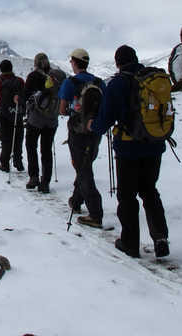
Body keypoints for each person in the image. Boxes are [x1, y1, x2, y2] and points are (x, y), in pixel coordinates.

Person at [89, 45, 170, 258]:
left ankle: (130, 243)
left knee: (127, 196)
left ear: (118, 62)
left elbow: (105, 118)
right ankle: (160, 238)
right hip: (154, 144)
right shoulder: (152, 81)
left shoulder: (118, 84)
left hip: (128, 147)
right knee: (149, 190)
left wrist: (93, 126)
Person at [58, 48, 105, 228]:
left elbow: (62, 110)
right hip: (95, 132)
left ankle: (95, 213)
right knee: (85, 165)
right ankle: (76, 201)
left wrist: (73, 110)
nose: (71, 63)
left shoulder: (70, 83)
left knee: (83, 169)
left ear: (75, 63)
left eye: (71, 61)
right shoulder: (99, 82)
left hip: (78, 132)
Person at [23, 52, 58, 192]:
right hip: (52, 119)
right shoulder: (55, 77)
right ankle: (45, 182)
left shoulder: (33, 76)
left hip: (35, 118)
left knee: (31, 146)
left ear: (36, 63)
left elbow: (25, 95)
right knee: (47, 150)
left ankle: (34, 177)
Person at [0, 59, 25, 172]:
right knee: (18, 137)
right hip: (17, 113)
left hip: (3, 114)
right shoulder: (20, 81)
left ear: (1, 69)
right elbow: (24, 93)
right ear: (11, 68)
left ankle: (5, 164)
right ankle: (18, 162)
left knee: (6, 139)